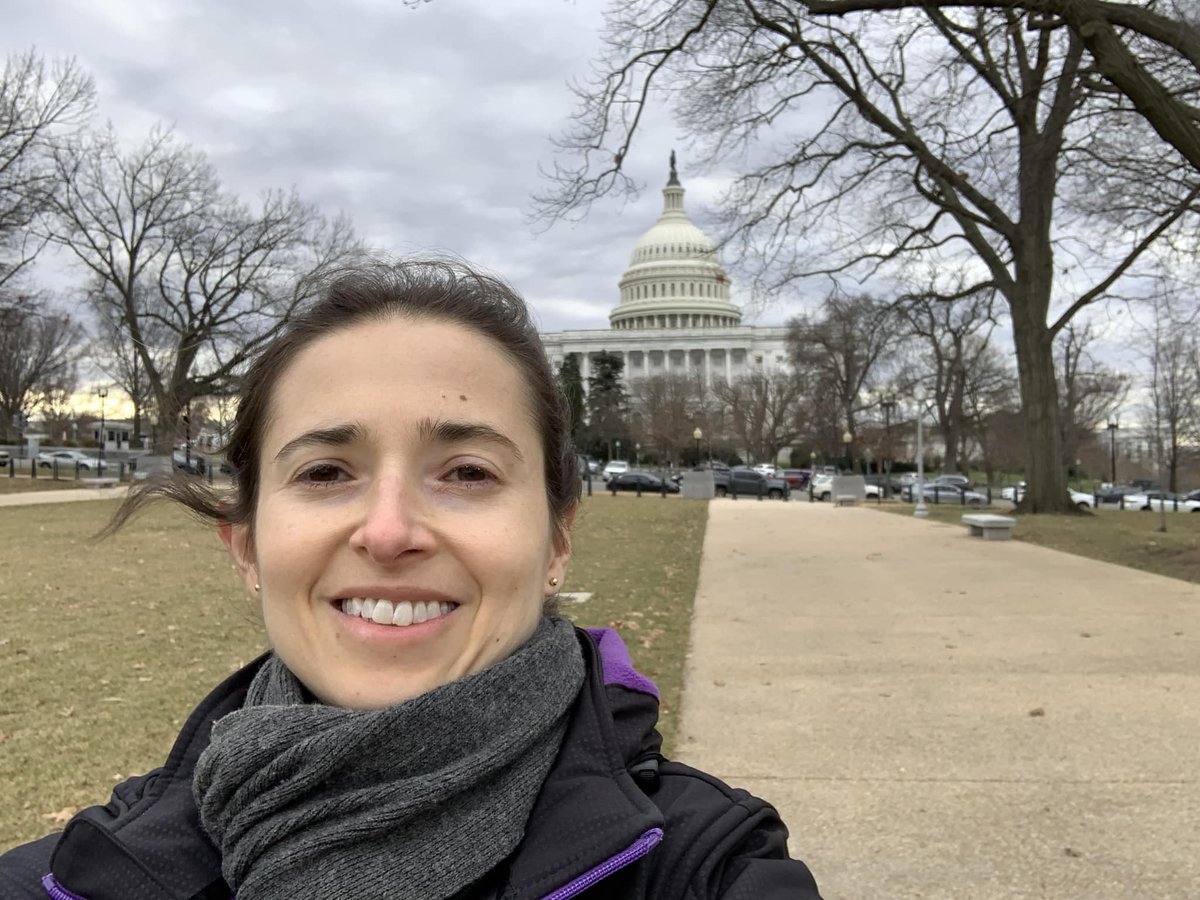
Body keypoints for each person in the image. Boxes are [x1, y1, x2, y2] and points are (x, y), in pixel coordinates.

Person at [0, 259, 823, 899]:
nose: (390, 532)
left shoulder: (707, 868)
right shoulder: (71, 877)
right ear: (246, 548)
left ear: (557, 541)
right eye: (325, 472)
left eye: (467, 472)